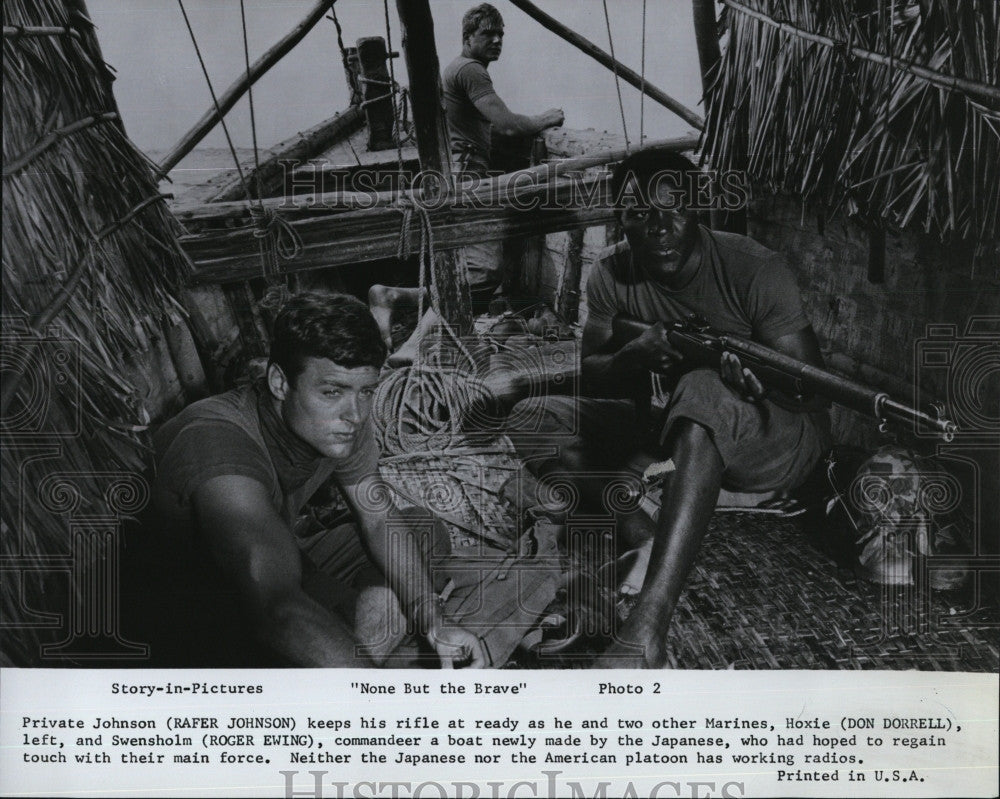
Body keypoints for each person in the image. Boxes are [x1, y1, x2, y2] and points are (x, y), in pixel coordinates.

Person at [508, 149, 831, 668]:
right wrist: (635, 355)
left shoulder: (753, 268)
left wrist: (756, 384)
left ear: (697, 208)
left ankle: (647, 625)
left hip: (776, 440)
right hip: (672, 427)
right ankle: (642, 528)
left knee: (703, 387)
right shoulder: (611, 273)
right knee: (530, 417)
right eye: (638, 212)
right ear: (620, 217)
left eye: (674, 208)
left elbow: (811, 393)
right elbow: (592, 369)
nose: (658, 227)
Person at [151, 291, 486, 668]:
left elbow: (376, 517)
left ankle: (349, 651)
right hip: (195, 609)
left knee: (421, 529)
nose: (356, 414)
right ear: (279, 382)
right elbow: (277, 608)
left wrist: (434, 622)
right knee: (291, 622)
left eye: (366, 392)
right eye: (332, 392)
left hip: (279, 555)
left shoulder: (341, 421)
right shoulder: (215, 440)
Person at [369, 3, 564, 363]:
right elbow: (506, 124)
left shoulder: (457, 69)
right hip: (467, 175)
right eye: (488, 33)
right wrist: (546, 118)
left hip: (460, 171)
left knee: (472, 268)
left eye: (500, 34)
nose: (496, 40)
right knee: (485, 269)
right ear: (467, 36)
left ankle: (393, 297)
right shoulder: (471, 70)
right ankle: (414, 341)